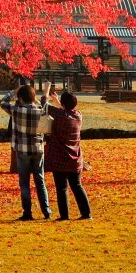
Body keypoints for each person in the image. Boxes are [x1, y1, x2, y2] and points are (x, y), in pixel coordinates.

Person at [0, 82, 51, 220]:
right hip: (38, 149)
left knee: (24, 182)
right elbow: (43, 102)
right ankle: (46, 211)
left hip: (22, 150)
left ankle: (27, 213)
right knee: (40, 181)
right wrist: (39, 95)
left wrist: (13, 92)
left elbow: (3, 102)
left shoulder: (16, 110)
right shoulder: (40, 109)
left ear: (20, 98)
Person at [44, 89, 92, 221]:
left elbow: (44, 105)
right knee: (77, 185)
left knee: (62, 188)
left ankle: (64, 216)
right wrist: (58, 101)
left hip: (60, 157)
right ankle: (86, 214)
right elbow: (65, 112)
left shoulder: (60, 115)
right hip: (75, 158)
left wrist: (47, 92)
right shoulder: (78, 115)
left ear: (64, 105)